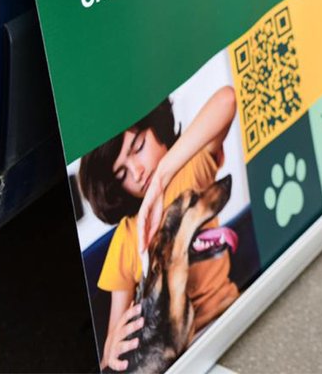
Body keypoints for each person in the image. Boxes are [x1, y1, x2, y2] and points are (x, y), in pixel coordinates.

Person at [78, 86, 238, 372]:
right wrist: (110, 350)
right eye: (122, 174)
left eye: (137, 148)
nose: (137, 172)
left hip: (229, 319)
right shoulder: (126, 237)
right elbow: (117, 336)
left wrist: (163, 176)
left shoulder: (189, 173)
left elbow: (227, 100)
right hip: (175, 358)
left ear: (156, 127)